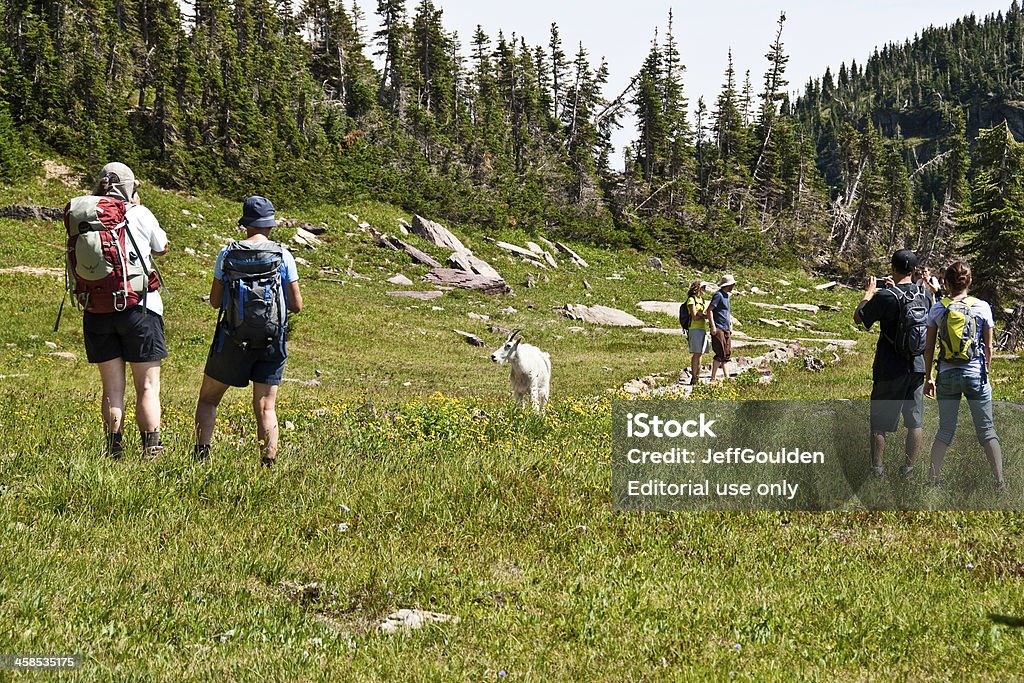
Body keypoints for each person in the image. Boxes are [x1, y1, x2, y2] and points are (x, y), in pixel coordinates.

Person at [194, 196, 303, 467]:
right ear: (270, 224)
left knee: (208, 399)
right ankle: (268, 463)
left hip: (232, 338)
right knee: (266, 406)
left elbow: (215, 302)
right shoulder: (282, 254)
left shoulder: (228, 253)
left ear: (246, 224)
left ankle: (201, 458)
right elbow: (297, 305)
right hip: (271, 340)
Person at [81, 162, 168, 459]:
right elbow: (162, 247)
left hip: (97, 309)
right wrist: (137, 209)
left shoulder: (87, 217)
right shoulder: (139, 213)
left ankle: (114, 451)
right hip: (139, 308)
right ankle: (151, 450)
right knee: (147, 385)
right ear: (129, 187)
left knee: (112, 388)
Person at [923, 261, 1004, 489]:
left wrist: (928, 377)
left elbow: (928, 349)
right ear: (969, 282)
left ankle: (933, 479)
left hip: (947, 375)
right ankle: (999, 482)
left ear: (947, 283)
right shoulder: (982, 307)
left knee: (946, 429)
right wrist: (985, 371)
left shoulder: (938, 308)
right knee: (987, 430)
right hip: (975, 374)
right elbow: (988, 348)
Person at [853, 249, 926, 478]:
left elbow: (860, 317)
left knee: (879, 421)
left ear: (893, 268)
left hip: (890, 367)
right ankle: (909, 470)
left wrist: (868, 293)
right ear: (914, 271)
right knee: (915, 422)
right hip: (917, 365)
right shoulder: (924, 295)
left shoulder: (886, 297)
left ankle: (877, 469)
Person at [708, 274, 736, 381]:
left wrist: (730, 325)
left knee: (726, 353)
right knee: (720, 352)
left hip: (726, 327)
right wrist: (712, 326)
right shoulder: (718, 295)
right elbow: (709, 310)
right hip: (718, 326)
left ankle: (726, 376)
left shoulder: (727, 296)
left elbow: (727, 313)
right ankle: (713, 377)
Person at [684, 280, 710, 386]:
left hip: (702, 328)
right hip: (694, 329)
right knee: (696, 353)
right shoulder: (691, 300)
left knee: (700, 353)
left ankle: (697, 376)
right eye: (703, 288)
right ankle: (694, 376)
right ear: (698, 288)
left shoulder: (702, 301)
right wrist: (703, 315)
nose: (704, 290)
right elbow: (694, 316)